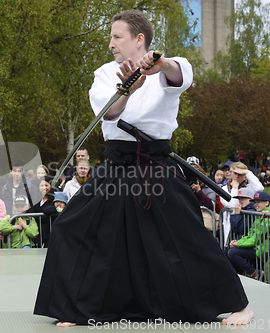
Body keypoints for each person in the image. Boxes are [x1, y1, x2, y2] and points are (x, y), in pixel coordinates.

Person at [34, 10, 253, 327]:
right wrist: (127, 90)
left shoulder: (167, 66)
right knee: (74, 226)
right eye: (110, 36)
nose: (111, 43)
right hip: (117, 164)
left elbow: (179, 76)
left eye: (117, 36)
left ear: (139, 39)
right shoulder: (105, 74)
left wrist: (159, 65)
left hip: (155, 164)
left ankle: (239, 305)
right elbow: (109, 116)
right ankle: (77, 308)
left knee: (186, 235)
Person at [227, 191, 270, 281]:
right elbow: (250, 234)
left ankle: (254, 273)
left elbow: (255, 239)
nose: (256, 204)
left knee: (232, 253)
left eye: (259, 202)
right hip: (256, 247)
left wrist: (238, 244)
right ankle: (256, 275)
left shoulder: (268, 216)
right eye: (255, 202)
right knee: (259, 274)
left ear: (267, 203)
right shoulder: (259, 215)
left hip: (261, 249)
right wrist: (237, 242)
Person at [29, 177, 56, 248]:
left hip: (49, 232)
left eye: (46, 185)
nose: (44, 188)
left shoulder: (54, 199)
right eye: (42, 185)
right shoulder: (36, 200)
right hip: (38, 233)